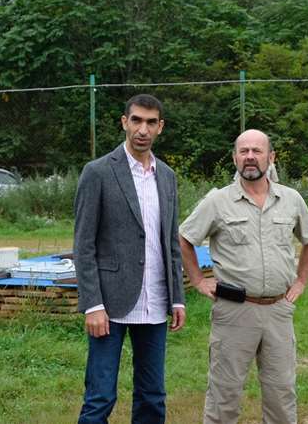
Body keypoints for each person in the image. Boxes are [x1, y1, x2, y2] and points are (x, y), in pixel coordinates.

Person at [179, 129, 308, 424]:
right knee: (224, 396)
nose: (250, 157)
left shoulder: (291, 199)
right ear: (235, 158)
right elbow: (184, 238)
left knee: (282, 394)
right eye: (243, 151)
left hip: (279, 311)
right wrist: (198, 280)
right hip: (234, 312)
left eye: (257, 151)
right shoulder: (218, 201)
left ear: (271, 157)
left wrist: (301, 281)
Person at [74, 94, 186, 424]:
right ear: (124, 122)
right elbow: (83, 244)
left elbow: (171, 241)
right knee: (100, 397)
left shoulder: (167, 176)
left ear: (160, 127)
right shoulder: (98, 172)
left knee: (153, 396)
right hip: (109, 304)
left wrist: (177, 297)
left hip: (156, 302)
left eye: (151, 122)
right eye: (136, 120)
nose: (142, 130)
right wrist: (92, 304)